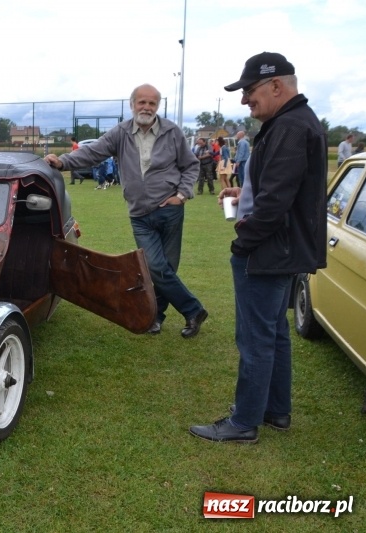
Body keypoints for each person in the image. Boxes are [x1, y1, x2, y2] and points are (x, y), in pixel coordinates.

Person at [189, 52, 327, 443]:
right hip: (282, 248)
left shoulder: (289, 127)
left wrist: (243, 244)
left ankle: (243, 422)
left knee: (256, 337)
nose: (245, 100)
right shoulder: (294, 122)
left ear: (276, 86)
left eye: (250, 90)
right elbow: (279, 189)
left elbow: (276, 201)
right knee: (274, 333)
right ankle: (275, 411)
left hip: (268, 250)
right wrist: (244, 190)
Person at [45, 84, 208, 338]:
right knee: (155, 267)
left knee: (166, 268)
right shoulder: (121, 133)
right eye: (142, 102)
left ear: (157, 106)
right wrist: (64, 161)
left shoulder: (172, 132)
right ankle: (193, 309)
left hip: (170, 211)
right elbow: (93, 152)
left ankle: (156, 317)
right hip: (140, 214)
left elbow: (191, 166)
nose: (147, 107)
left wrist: (181, 195)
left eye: (152, 103)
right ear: (132, 105)